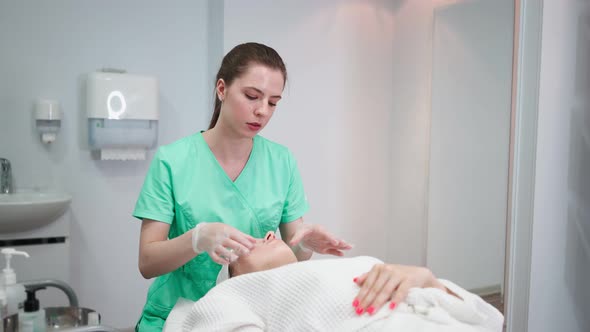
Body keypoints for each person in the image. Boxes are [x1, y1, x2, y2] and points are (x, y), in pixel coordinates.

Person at [132, 42, 352, 331]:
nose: (262, 111)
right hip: (178, 315)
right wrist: (197, 239)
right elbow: (148, 262)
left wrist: (306, 246)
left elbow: (288, 259)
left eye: (273, 103)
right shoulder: (172, 161)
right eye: (252, 96)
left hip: (253, 314)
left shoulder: (281, 161)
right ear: (221, 89)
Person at [164, 232, 504, 332]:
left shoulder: (348, 265)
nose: (268, 233)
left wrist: (428, 279)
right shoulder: (232, 293)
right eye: (252, 241)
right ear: (236, 271)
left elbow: (487, 318)